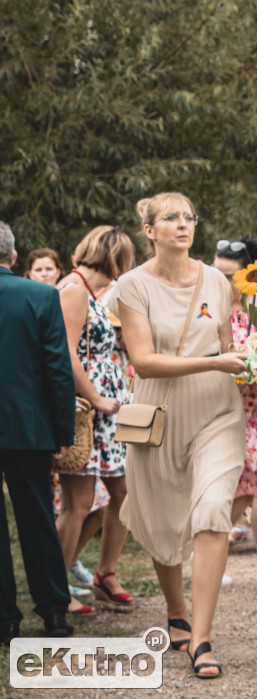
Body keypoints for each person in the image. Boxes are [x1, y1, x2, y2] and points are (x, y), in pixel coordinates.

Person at [114, 192, 247, 679]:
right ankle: (176, 612)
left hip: (216, 410)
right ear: (149, 230)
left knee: (212, 511)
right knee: (163, 519)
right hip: (157, 414)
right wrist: (216, 361)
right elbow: (144, 360)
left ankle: (203, 638)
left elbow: (229, 346)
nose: (183, 224)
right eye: (171, 218)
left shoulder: (217, 280)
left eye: (189, 217)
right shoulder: (131, 286)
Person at [54, 226, 136, 615]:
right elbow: (67, 354)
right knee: (79, 501)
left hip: (108, 410)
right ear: (117, 260)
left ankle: (106, 572)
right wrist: (97, 397)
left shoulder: (90, 291)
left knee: (123, 493)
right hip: (89, 411)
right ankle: (54, 587)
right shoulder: (73, 291)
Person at [0, 221, 76, 643]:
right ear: (13, 257)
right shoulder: (41, 295)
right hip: (28, 425)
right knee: (37, 519)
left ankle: (5, 622)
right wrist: (62, 429)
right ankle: (53, 615)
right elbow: (57, 369)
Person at [212, 235, 257, 594]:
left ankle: (209, 553)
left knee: (246, 487)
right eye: (217, 274)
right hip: (225, 406)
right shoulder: (207, 310)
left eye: (229, 276)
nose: (222, 282)